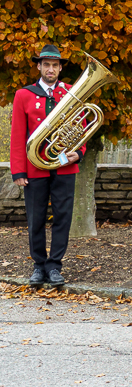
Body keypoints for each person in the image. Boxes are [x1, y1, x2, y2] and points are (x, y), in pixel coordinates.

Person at [10, 45, 85, 288]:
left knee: (63, 218)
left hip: (64, 166)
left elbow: (81, 128)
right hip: (35, 167)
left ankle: (55, 266)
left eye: (55, 65)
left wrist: (79, 153)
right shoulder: (23, 95)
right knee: (36, 218)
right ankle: (39, 265)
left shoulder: (71, 92)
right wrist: (18, 170)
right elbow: (17, 134)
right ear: (39, 66)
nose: (50, 69)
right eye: (46, 65)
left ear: (60, 68)